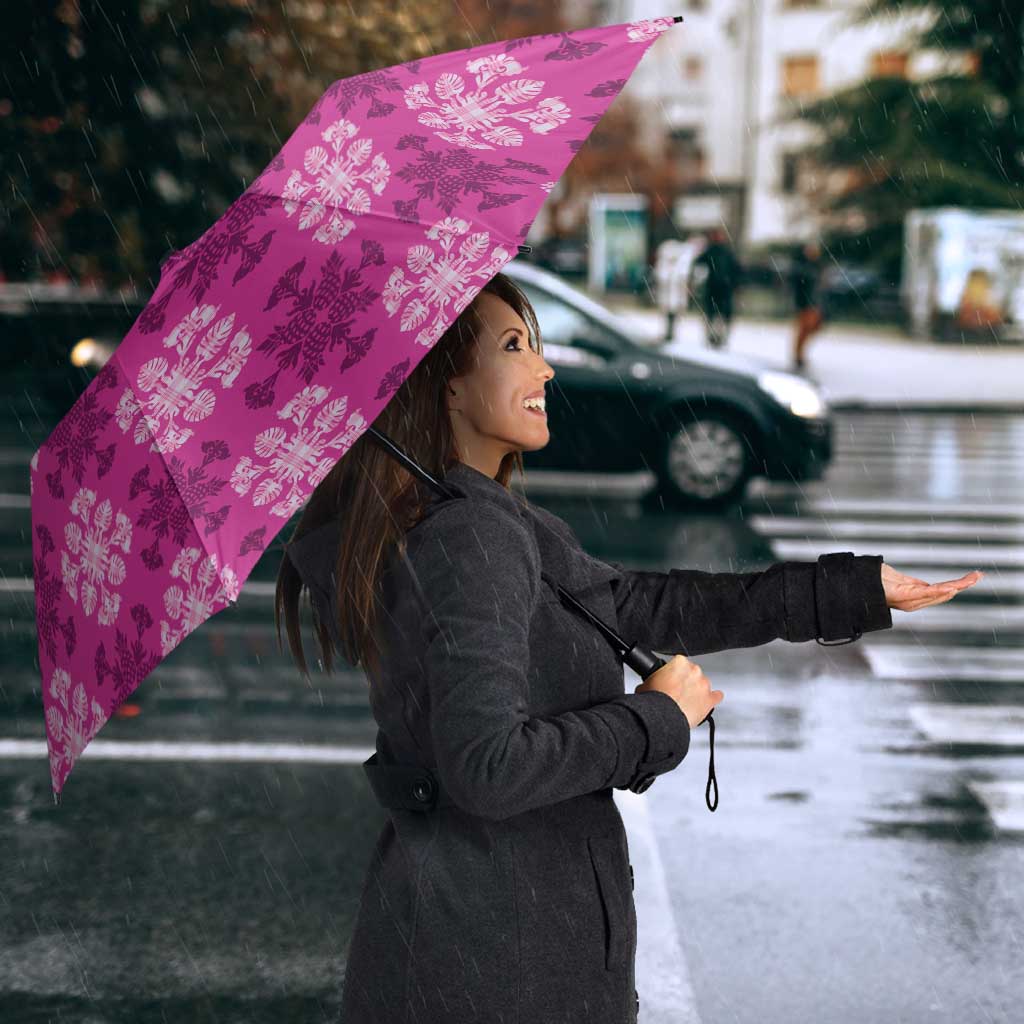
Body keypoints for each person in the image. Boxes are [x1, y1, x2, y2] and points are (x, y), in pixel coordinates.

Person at [274, 271, 959, 1024]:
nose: (546, 368)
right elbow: (488, 767)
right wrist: (657, 719)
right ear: (448, 388)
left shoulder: (469, 519)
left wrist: (851, 590)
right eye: (514, 346)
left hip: (470, 944)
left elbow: (637, 604)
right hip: (501, 963)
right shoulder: (471, 537)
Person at [692, 226, 742, 349]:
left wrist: (735, 284)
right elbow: (698, 264)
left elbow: (736, 270)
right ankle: (713, 337)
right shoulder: (712, 251)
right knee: (713, 314)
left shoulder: (725, 252)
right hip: (715, 288)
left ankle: (719, 337)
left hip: (723, 288)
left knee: (720, 315)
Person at [790, 239, 826, 370]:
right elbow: (799, 286)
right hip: (805, 303)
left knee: (812, 328)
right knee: (804, 329)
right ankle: (798, 355)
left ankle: (799, 354)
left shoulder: (817, 266)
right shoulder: (802, 267)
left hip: (814, 303)